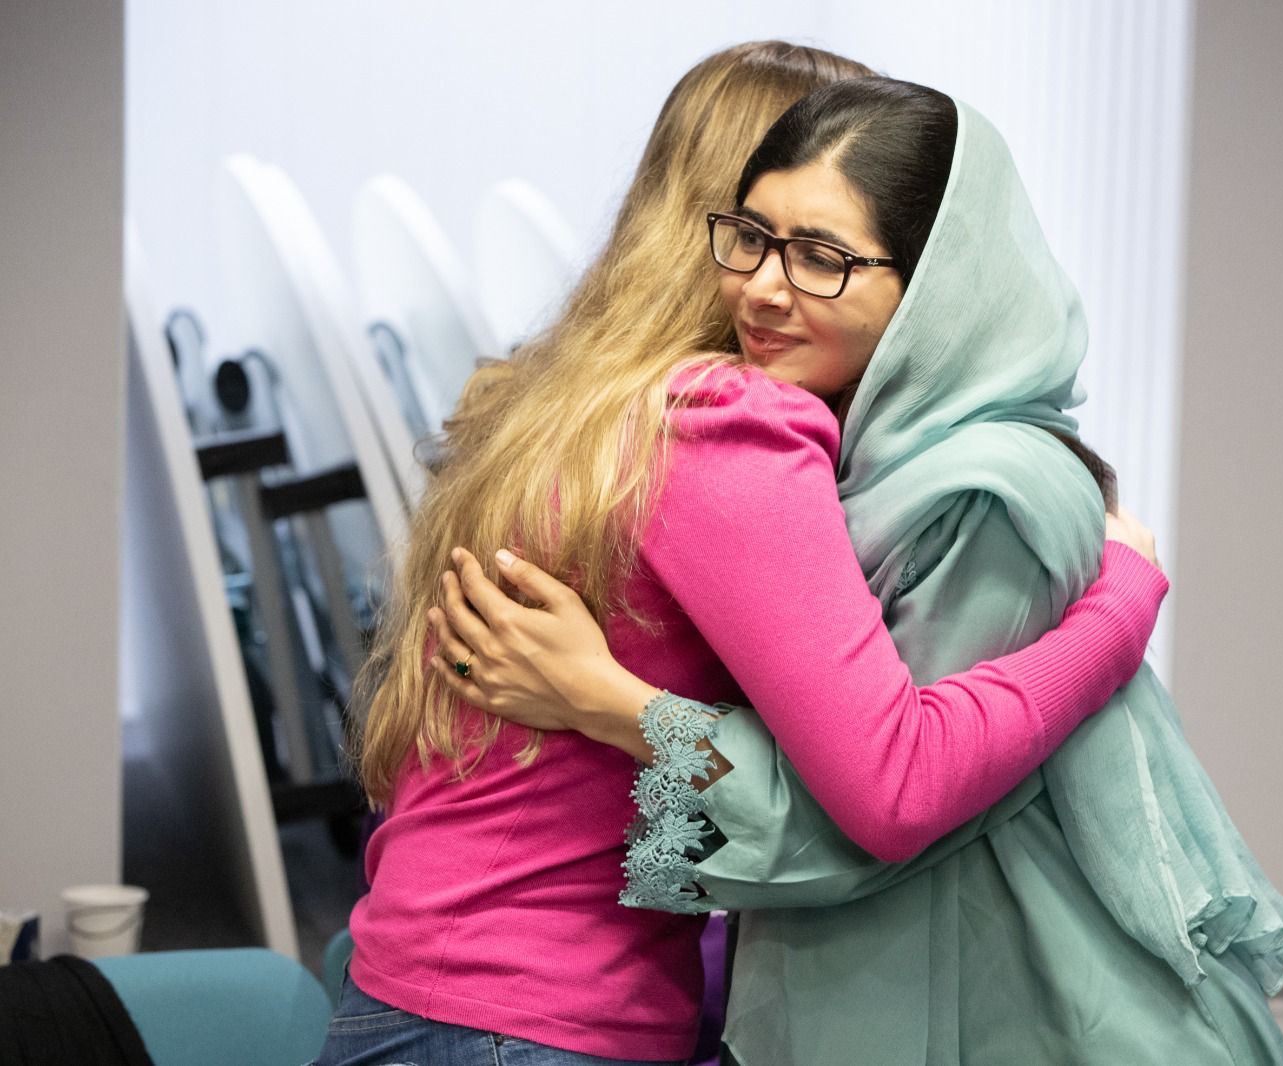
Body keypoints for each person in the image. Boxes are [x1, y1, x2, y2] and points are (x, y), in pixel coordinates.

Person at [317, 49, 1170, 1066]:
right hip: (531, 1022)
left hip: (416, 982)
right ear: (727, 210)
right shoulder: (729, 423)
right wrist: (1121, 606)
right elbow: (896, 788)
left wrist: (619, 711)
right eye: (772, 237)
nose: (777, 281)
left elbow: (625, 824)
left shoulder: (570, 408)